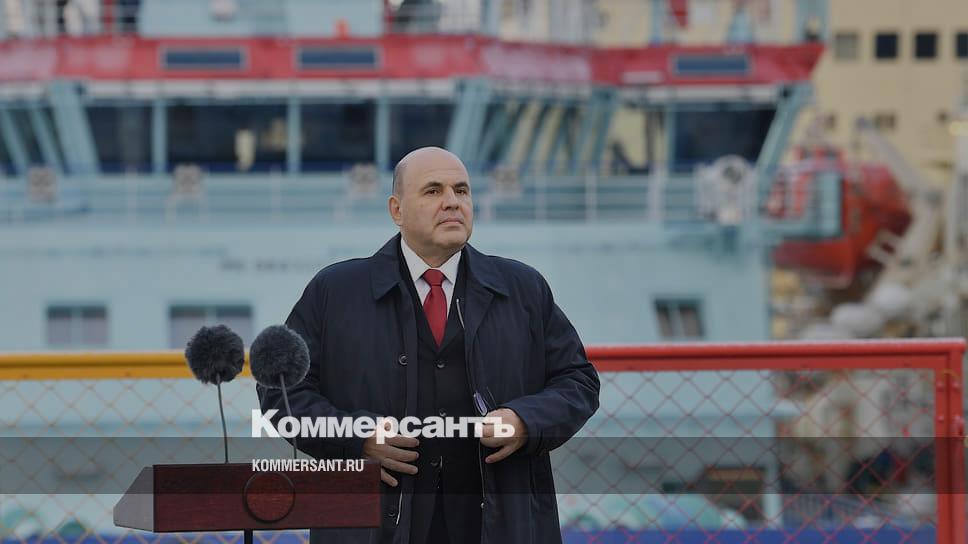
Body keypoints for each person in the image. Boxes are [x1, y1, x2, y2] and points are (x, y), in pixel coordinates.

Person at [258, 146, 600, 544]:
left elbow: (579, 381)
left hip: (501, 524)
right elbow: (282, 394)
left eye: (462, 190)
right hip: (371, 526)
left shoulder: (524, 288)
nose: (452, 202)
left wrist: (526, 421)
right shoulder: (334, 292)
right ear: (397, 210)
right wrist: (356, 438)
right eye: (433, 191)